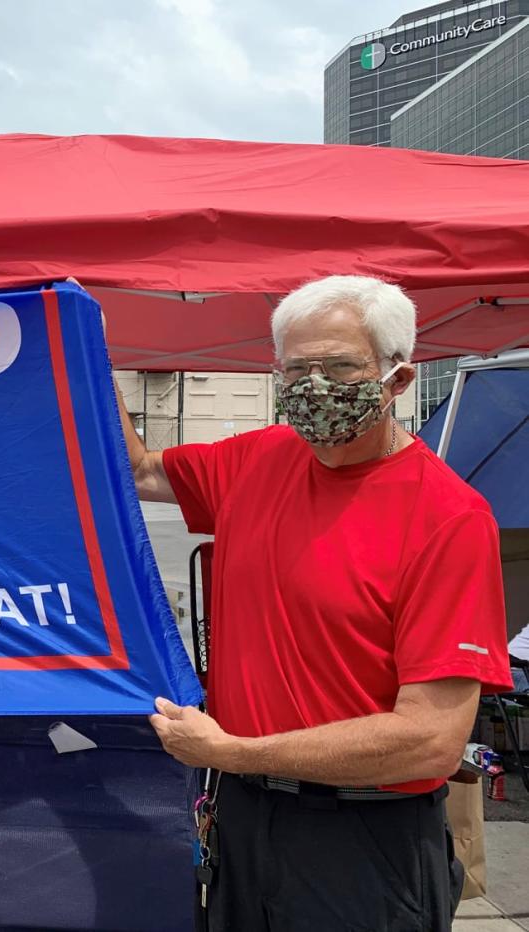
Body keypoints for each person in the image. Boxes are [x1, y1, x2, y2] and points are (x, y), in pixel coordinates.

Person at [113, 275, 513, 930]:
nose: (313, 385)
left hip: (361, 844)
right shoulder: (259, 459)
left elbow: (429, 742)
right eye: (297, 368)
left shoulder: (448, 518)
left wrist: (231, 753)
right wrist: (88, 351)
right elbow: (135, 472)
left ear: (399, 379)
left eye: (340, 366)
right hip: (242, 822)